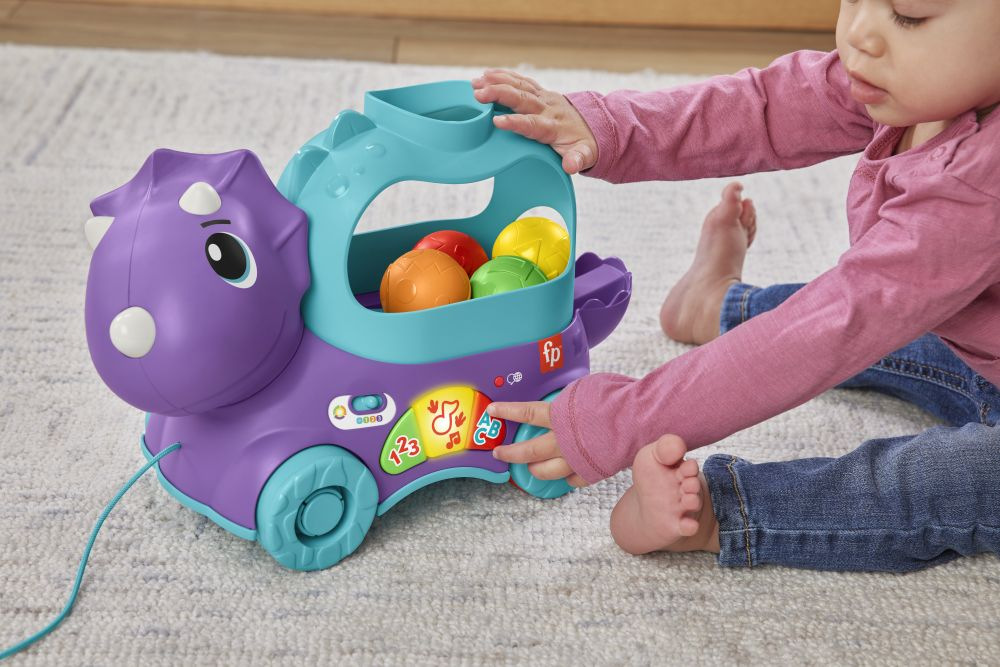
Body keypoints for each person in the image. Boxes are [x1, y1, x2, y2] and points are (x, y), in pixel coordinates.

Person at [473, 0, 1000, 572]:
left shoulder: (983, 181)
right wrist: (609, 126)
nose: (859, 34)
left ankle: (722, 515)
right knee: (894, 315)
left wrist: (628, 419)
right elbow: (766, 107)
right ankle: (723, 306)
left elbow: (832, 330)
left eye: (910, 15)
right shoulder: (919, 81)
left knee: (944, 480)